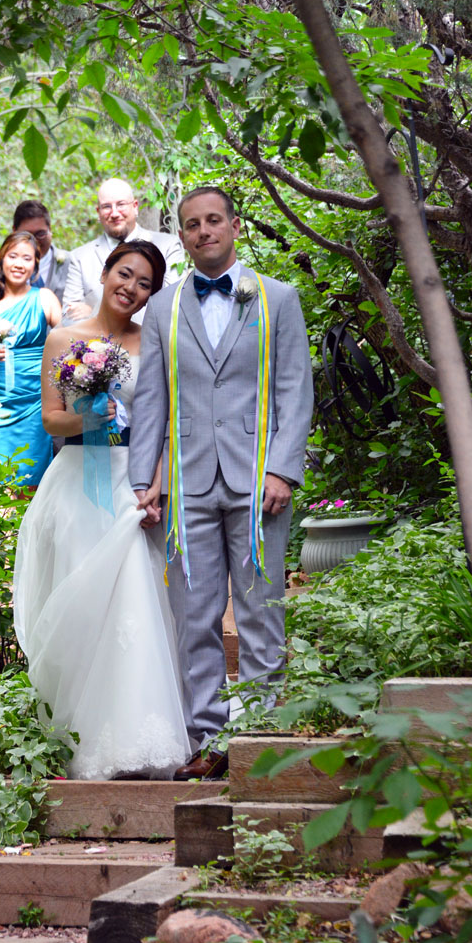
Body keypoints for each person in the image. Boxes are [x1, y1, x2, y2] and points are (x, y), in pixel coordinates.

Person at [129, 187, 314, 780]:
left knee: (261, 609)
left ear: (235, 227)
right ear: (180, 236)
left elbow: (293, 388)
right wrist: (144, 480)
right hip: (185, 483)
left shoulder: (277, 298)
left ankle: (261, 734)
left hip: (259, 478)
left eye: (213, 221)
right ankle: (208, 739)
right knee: (196, 615)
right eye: (191, 225)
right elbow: (151, 397)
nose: (203, 231)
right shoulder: (163, 306)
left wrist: (284, 467)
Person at [13, 240, 191, 780]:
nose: (130, 288)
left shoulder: (154, 343)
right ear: (106, 272)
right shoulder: (63, 339)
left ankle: (136, 738)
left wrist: (156, 486)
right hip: (74, 482)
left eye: (144, 283)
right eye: (124, 274)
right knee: (77, 600)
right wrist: (92, 414)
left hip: (131, 485)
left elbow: (165, 426)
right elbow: (50, 421)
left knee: (132, 601)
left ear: (151, 295)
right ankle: (70, 738)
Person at [0, 231, 61, 487]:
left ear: (35, 265)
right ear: (2, 259)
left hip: (35, 400)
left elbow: (68, 341)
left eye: (26, 258)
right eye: (13, 256)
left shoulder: (45, 298)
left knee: (31, 477)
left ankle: (26, 529)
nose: (19, 263)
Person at [62, 178, 183, 323]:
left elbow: (171, 303)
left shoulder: (167, 246)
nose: (114, 213)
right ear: (98, 212)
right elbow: (69, 317)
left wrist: (92, 310)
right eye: (106, 206)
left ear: (135, 206)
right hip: (97, 344)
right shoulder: (80, 257)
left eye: (121, 204)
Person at [0, 201, 71, 304]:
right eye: (27, 235)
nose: (35, 241)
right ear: (14, 231)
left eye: (40, 234)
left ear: (50, 229)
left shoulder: (72, 263)